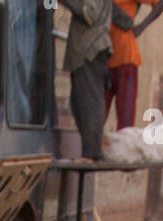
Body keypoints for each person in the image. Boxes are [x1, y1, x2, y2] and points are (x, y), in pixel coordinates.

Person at [59, 0, 112, 161]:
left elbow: (89, 14)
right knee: (79, 103)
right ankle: (91, 151)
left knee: (88, 103)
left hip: (90, 48)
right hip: (86, 50)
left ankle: (91, 152)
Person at [105, 0, 163, 130]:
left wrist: (141, 26)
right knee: (94, 118)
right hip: (102, 60)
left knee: (125, 124)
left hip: (126, 61)